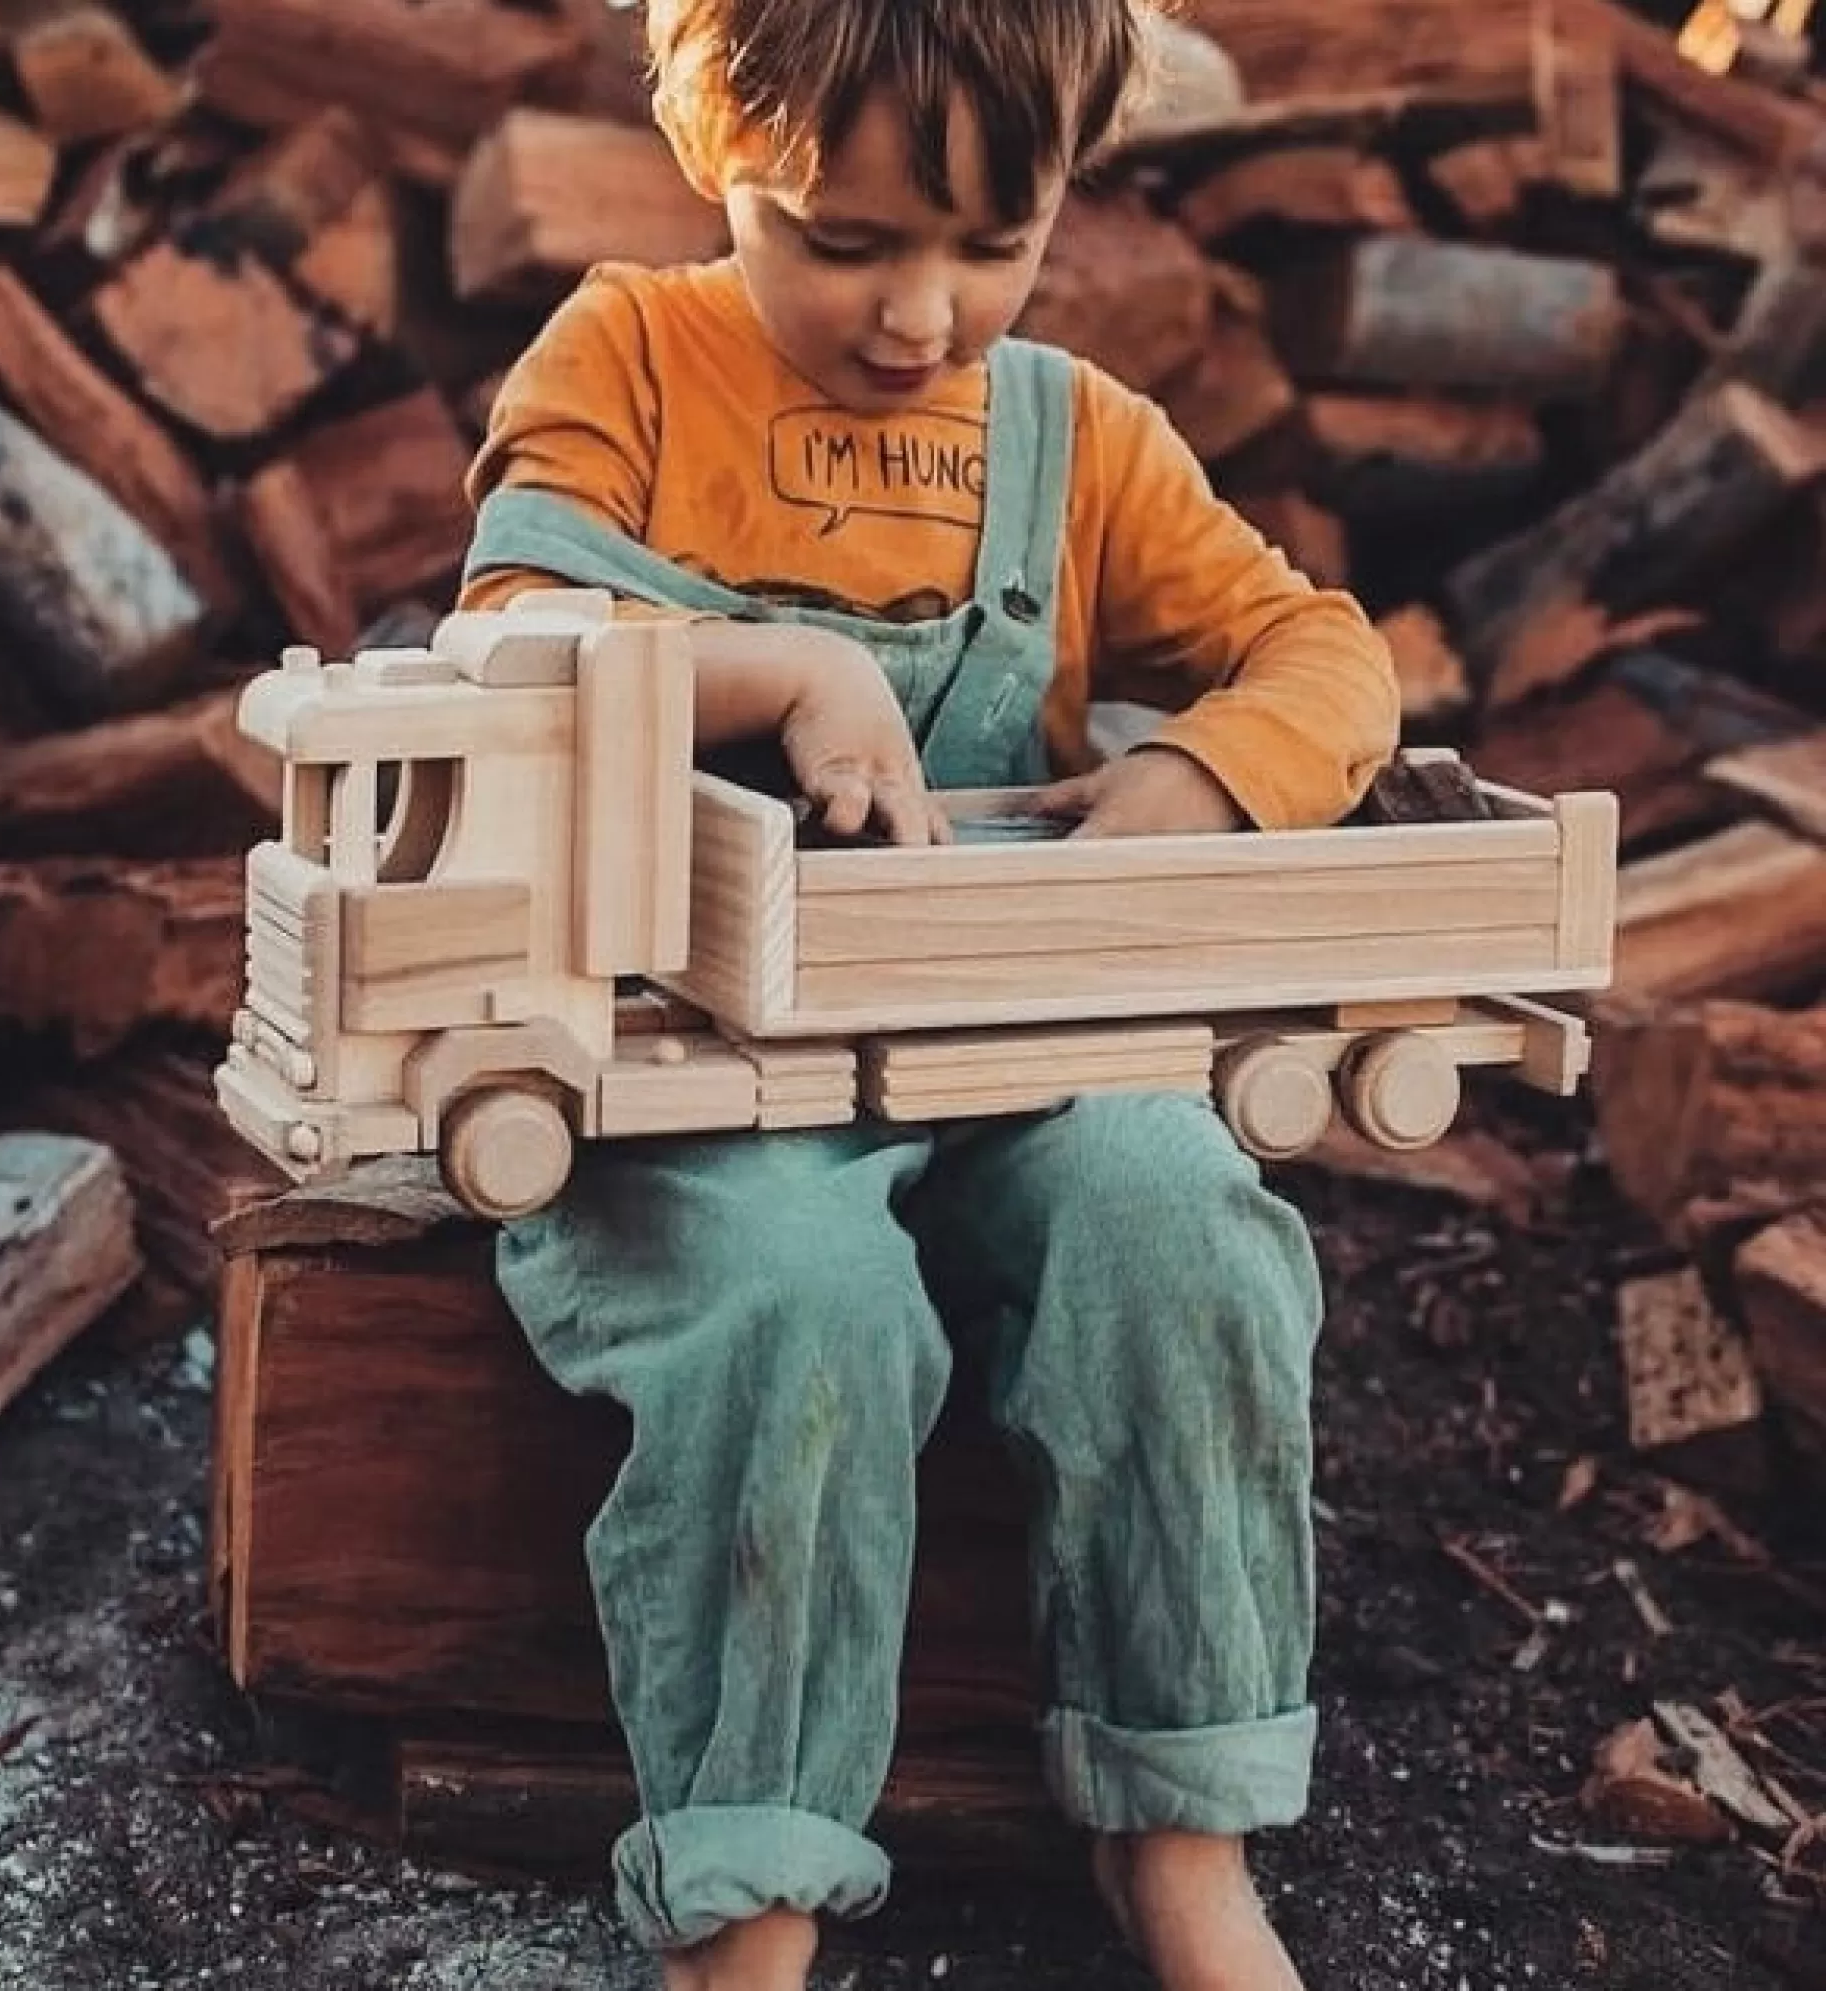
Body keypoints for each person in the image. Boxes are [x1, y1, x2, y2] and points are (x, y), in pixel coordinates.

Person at [455, 3, 1399, 1985]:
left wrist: (1195, 767)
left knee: (1181, 1225)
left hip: (1010, 1043)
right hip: (690, 1073)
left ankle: (1183, 1824)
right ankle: (756, 1884)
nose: (917, 312)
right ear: (717, 138)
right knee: (803, 1313)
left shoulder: (1073, 438)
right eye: (845, 238)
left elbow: (1322, 655)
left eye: (991, 243)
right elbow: (512, 637)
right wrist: (780, 671)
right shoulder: (628, 353)